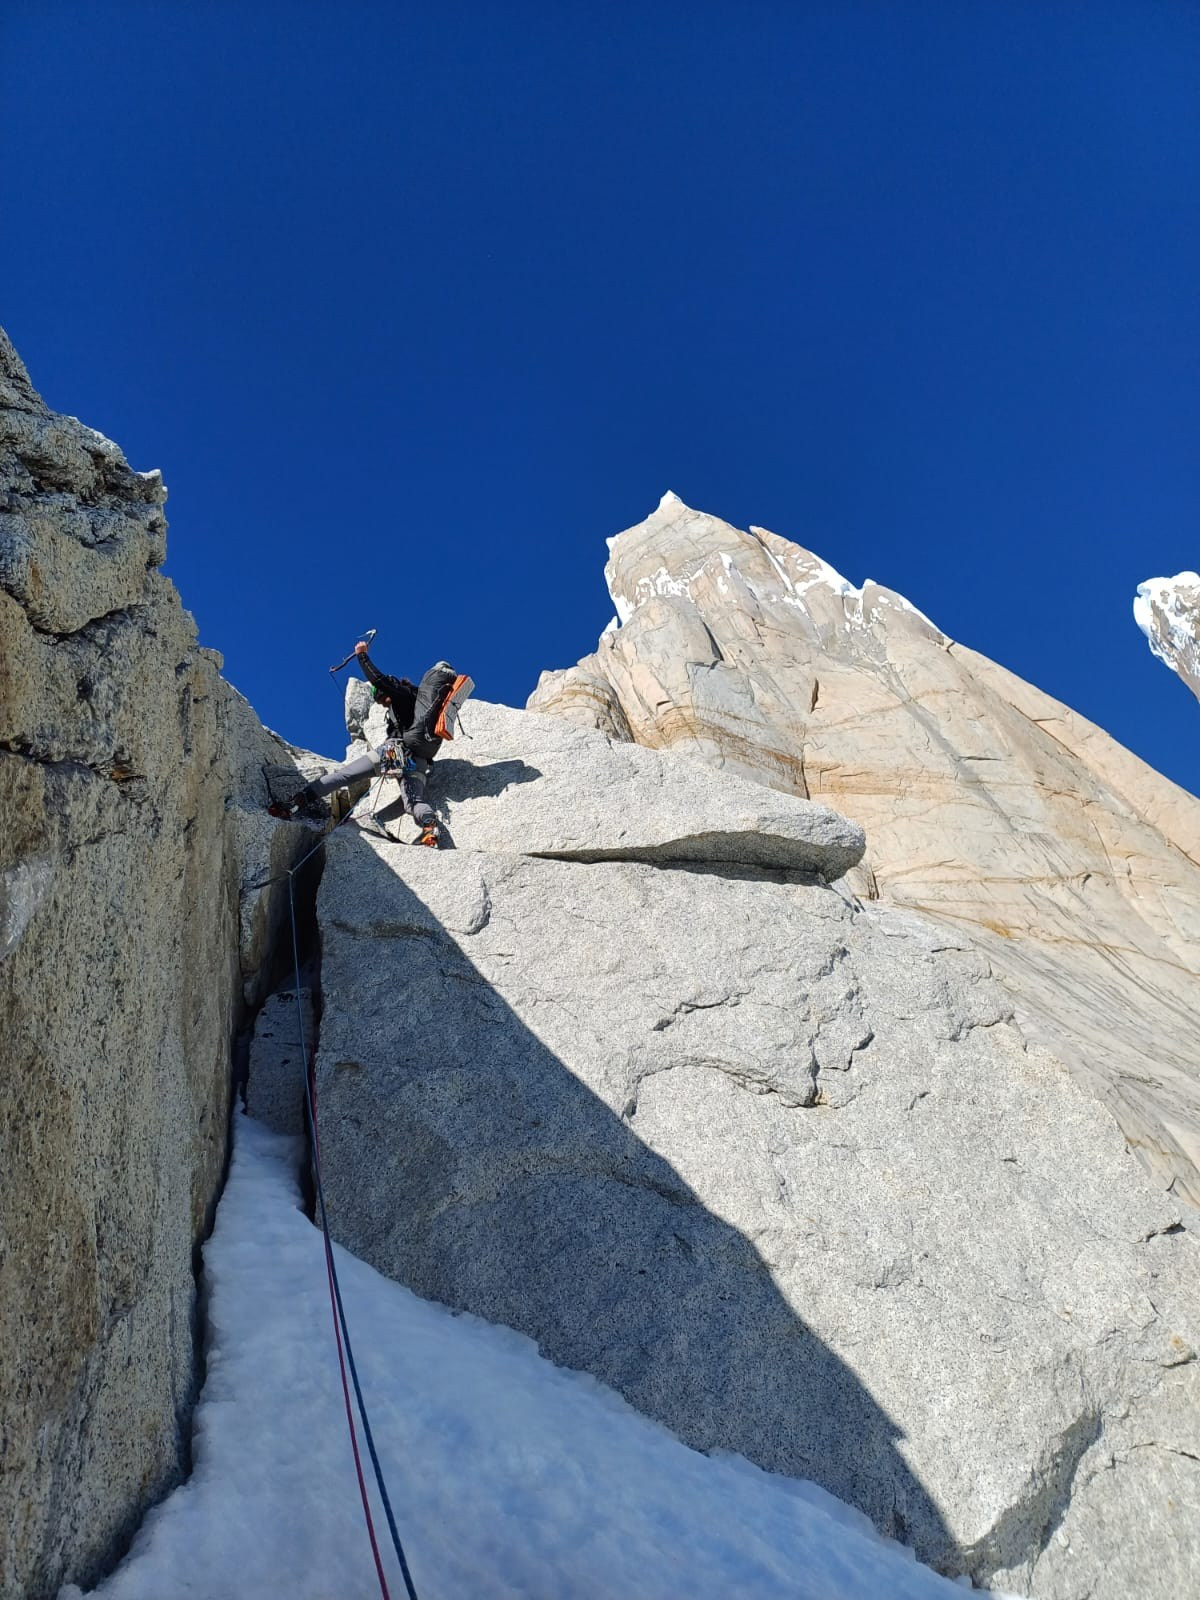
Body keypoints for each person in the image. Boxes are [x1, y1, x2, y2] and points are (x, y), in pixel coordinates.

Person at [269, 643, 458, 846]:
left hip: (394, 751)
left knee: (344, 776)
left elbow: (378, 679)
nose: (384, 703)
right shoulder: (421, 704)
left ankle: (294, 804)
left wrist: (362, 656)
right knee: (414, 803)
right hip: (419, 761)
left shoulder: (401, 695)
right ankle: (430, 826)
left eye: (382, 699)